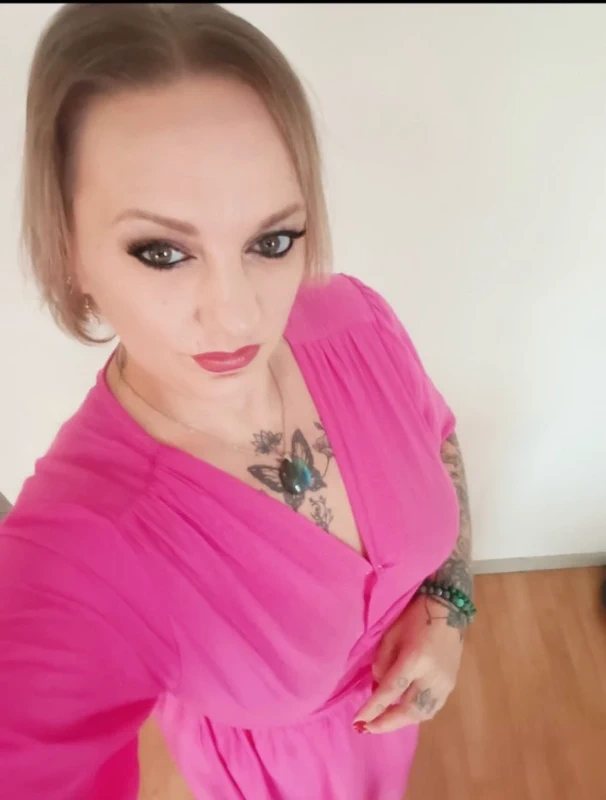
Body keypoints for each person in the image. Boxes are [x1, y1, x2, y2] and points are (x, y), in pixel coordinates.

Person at [0, 4, 475, 799]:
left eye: (272, 241)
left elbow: (441, 437)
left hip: (390, 743)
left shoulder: (352, 319)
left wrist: (448, 603)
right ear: (67, 247)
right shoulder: (83, 544)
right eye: (162, 251)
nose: (238, 315)